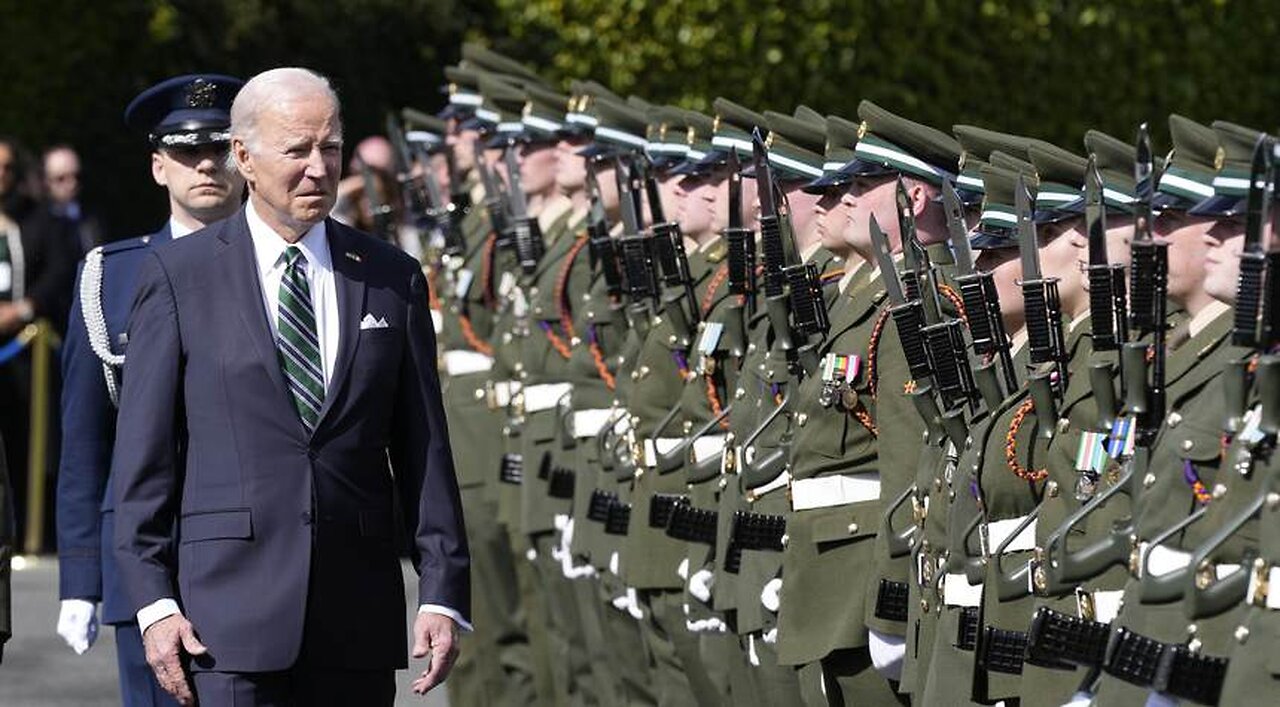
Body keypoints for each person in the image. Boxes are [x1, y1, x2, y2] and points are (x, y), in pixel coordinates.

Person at [109, 67, 470, 707]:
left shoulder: (390, 276)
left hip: (354, 619)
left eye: (329, 148)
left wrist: (442, 589)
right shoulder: (179, 276)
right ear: (243, 157)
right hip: (223, 623)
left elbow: (423, 449)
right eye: (296, 150)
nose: (317, 168)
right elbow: (145, 461)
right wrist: (153, 604)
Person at [55, 73, 246, 707]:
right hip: (146, 555)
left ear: (244, 157)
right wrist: (80, 578)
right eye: (187, 151)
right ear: (159, 166)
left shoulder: (287, 270)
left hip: (260, 554)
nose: (206, 164)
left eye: (220, 147)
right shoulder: (112, 276)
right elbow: (85, 439)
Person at [0, 135, 77, 550]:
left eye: (7, 168)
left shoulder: (40, 221)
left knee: (30, 444)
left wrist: (23, 310)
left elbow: (59, 271)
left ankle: (33, 532)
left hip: (28, 353)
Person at [43, 144, 106, 253]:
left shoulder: (93, 217)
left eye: (76, 176)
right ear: (46, 181)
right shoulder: (36, 224)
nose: (72, 184)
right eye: (61, 179)